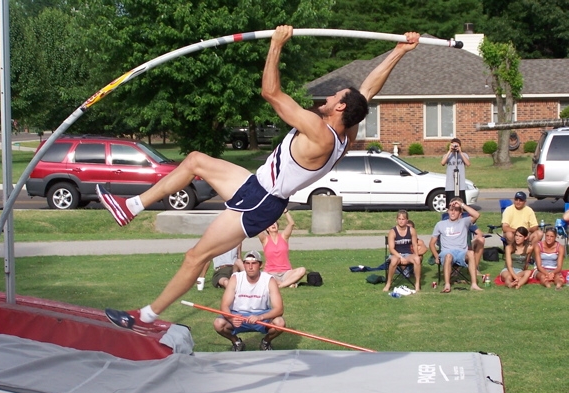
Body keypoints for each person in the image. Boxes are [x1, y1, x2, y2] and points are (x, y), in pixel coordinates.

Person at [100, 25, 420, 332]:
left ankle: (145, 316)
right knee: (196, 160)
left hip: (260, 202)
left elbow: (270, 92)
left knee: (196, 257)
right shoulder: (346, 133)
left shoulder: (320, 132)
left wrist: (276, 44)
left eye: (335, 95)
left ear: (340, 107)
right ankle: (131, 206)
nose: (328, 96)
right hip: (256, 186)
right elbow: (368, 89)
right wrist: (399, 51)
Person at [213, 250, 285, 351]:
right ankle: (236, 342)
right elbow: (224, 305)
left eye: (254, 263)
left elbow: (279, 309)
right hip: (238, 315)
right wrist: (231, 318)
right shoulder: (236, 278)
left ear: (260, 265)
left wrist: (260, 317)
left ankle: (266, 342)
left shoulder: (269, 280)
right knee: (218, 324)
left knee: (280, 323)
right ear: (244, 265)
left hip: (261, 316)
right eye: (247, 263)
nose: (250, 267)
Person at [429, 198, 483, 293]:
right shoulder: (440, 224)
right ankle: (447, 285)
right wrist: (436, 256)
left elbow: (477, 215)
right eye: (451, 210)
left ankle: (474, 284)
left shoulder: (464, 222)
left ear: (460, 213)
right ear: (448, 211)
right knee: (448, 256)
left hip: (461, 253)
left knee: (471, 253)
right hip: (447, 252)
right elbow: (431, 243)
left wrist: (461, 204)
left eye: (456, 210)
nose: (453, 212)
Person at [259, 209, 306, 288]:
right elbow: (257, 227)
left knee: (302, 270)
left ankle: (280, 285)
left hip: (286, 272)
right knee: (261, 276)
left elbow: (291, 223)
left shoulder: (284, 236)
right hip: (270, 273)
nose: (273, 225)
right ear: (267, 229)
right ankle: (289, 283)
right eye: (270, 224)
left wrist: (285, 211)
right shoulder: (265, 239)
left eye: (275, 223)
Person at [383, 210, 421, 292]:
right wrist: (400, 257)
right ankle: (388, 283)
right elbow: (391, 249)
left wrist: (416, 255)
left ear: (407, 220)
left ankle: (417, 283)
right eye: (399, 219)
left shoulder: (412, 230)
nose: (401, 221)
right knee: (394, 260)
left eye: (403, 219)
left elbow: (415, 245)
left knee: (417, 259)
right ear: (396, 220)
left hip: (408, 254)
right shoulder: (392, 232)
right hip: (396, 254)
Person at [441, 138, 470, 205]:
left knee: (461, 205)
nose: (455, 147)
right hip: (450, 185)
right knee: (450, 205)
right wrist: (449, 151)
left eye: (456, 146)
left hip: (460, 185)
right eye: (453, 145)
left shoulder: (464, 155)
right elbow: (442, 163)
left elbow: (468, 164)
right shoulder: (447, 155)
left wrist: (460, 152)